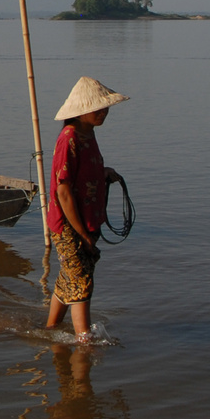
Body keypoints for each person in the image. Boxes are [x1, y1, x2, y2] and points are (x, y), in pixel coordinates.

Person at [44, 76, 127, 336]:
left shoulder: (87, 134)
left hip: (87, 220)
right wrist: (80, 233)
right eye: (98, 109)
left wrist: (104, 173)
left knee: (71, 275)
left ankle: (50, 328)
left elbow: (84, 174)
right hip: (69, 223)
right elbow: (64, 191)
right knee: (81, 280)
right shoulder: (68, 138)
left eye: (105, 108)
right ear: (82, 112)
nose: (104, 113)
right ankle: (84, 339)